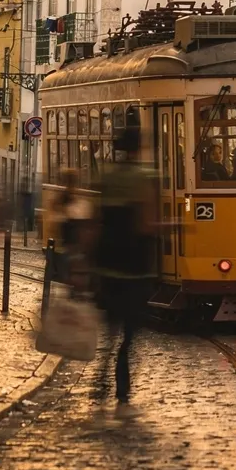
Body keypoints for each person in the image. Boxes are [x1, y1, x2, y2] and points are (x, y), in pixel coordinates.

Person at [94, 119, 159, 414]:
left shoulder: (107, 176)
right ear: (140, 148)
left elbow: (95, 222)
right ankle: (122, 396)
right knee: (129, 336)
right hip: (134, 267)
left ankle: (99, 387)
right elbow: (145, 224)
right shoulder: (145, 178)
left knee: (109, 333)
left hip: (106, 266)